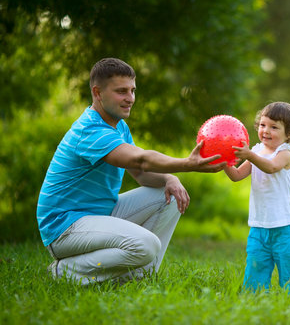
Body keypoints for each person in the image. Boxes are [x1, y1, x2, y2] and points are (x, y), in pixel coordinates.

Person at [37, 57, 226, 285]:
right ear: (98, 93)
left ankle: (140, 275)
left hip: (98, 214)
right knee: (146, 244)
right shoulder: (89, 129)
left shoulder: (118, 127)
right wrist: (187, 164)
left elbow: (140, 174)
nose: (130, 98)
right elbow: (142, 160)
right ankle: (63, 272)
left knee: (170, 196)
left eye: (133, 90)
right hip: (65, 226)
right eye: (121, 91)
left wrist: (170, 178)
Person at [224, 101, 290, 293]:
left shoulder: (285, 153)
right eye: (262, 125)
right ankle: (255, 298)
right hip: (259, 227)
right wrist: (223, 160)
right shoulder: (257, 150)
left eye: (274, 127)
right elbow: (236, 176)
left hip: (286, 228)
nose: (266, 131)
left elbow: (271, 167)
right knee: (255, 271)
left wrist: (249, 155)